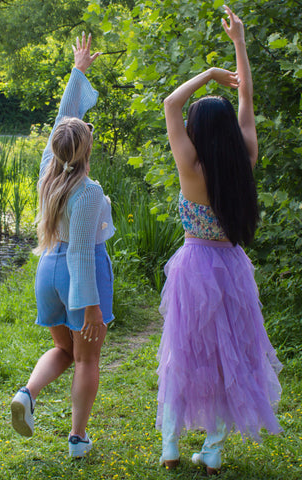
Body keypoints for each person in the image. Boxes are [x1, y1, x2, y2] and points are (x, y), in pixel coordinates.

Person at [156, 6, 282, 475]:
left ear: (195, 130)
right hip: (231, 267)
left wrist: (209, 74)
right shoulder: (243, 158)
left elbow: (170, 104)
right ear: (228, 130)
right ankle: (211, 452)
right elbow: (247, 98)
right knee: (230, 354)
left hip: (193, 267)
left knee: (181, 355)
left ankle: (170, 446)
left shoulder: (191, 167)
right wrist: (240, 46)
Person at [10, 32, 115, 458]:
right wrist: (90, 305)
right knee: (87, 360)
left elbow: (64, 119)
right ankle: (78, 438)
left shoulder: (47, 172)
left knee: (62, 350)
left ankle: (27, 395)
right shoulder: (88, 191)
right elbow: (80, 254)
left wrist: (78, 71)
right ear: (85, 149)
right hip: (78, 273)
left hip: (46, 272)